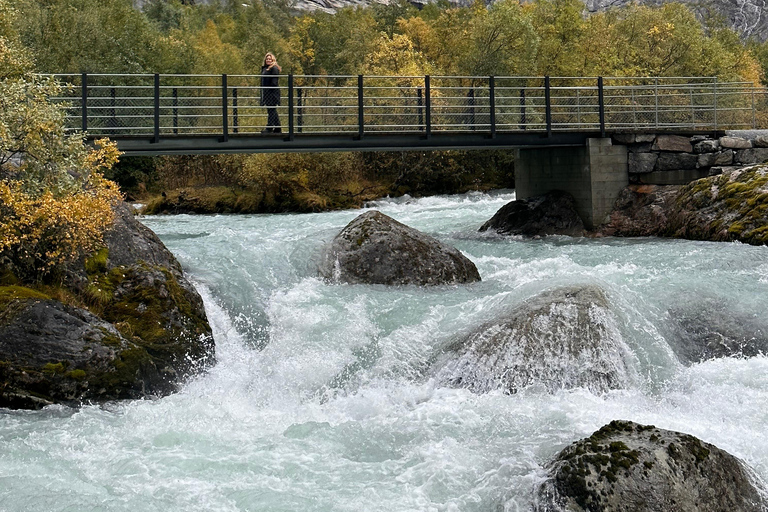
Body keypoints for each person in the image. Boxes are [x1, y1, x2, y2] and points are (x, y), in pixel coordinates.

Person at [260, 52, 281, 133]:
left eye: (270, 59)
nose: (268, 60)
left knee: (271, 110)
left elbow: (274, 82)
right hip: (267, 92)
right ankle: (278, 128)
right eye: (267, 59)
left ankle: (269, 128)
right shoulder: (265, 68)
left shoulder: (274, 68)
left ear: (273, 60)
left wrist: (270, 89)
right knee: (272, 110)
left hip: (272, 92)